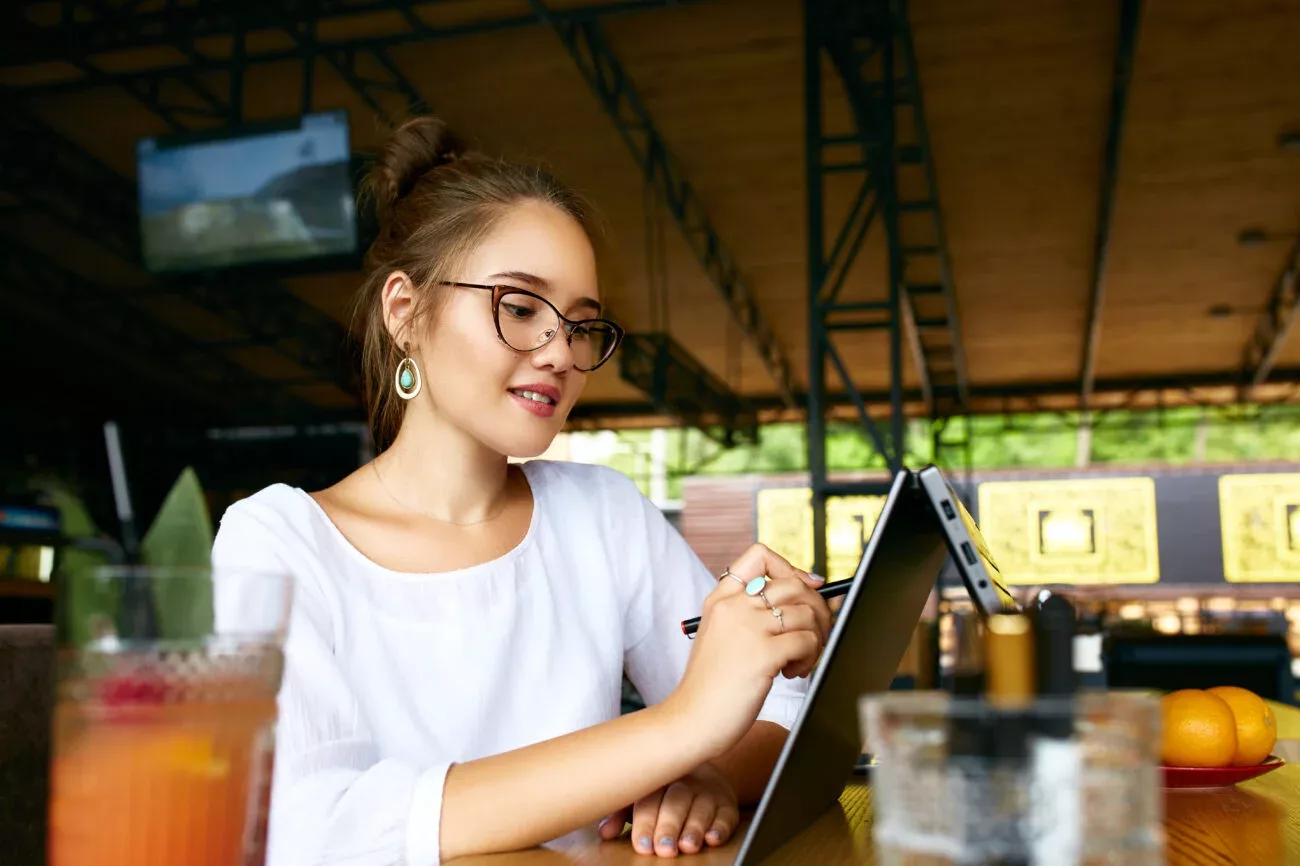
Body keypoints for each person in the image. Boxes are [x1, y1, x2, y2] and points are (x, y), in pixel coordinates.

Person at [211, 115, 832, 866]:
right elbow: (317, 828)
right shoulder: (278, 541)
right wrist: (681, 731)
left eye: (581, 325)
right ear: (406, 312)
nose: (560, 352)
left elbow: (788, 713)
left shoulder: (600, 516)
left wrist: (704, 772)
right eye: (519, 307)